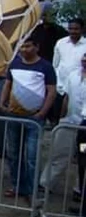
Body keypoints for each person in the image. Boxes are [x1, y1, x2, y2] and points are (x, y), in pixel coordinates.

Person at [0, 38, 56, 200]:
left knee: (32, 156)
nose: (24, 49)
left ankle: (32, 191)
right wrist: (2, 103)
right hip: (14, 115)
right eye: (22, 46)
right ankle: (18, 186)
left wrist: (42, 113)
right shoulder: (15, 64)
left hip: (34, 118)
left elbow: (51, 92)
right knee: (13, 153)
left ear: (36, 47)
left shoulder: (46, 67)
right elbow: (7, 84)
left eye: (28, 46)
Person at [41, 53, 86, 195]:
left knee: (83, 156)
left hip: (84, 130)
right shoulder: (73, 75)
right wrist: (61, 118)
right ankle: (46, 183)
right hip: (69, 123)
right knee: (58, 154)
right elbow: (66, 97)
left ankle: (80, 189)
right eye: (84, 56)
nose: (84, 59)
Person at [52, 18, 86, 127]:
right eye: (70, 29)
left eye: (76, 29)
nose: (73, 31)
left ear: (82, 29)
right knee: (60, 122)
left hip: (78, 88)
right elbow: (55, 64)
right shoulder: (61, 43)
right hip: (60, 87)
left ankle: (81, 144)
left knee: (79, 121)